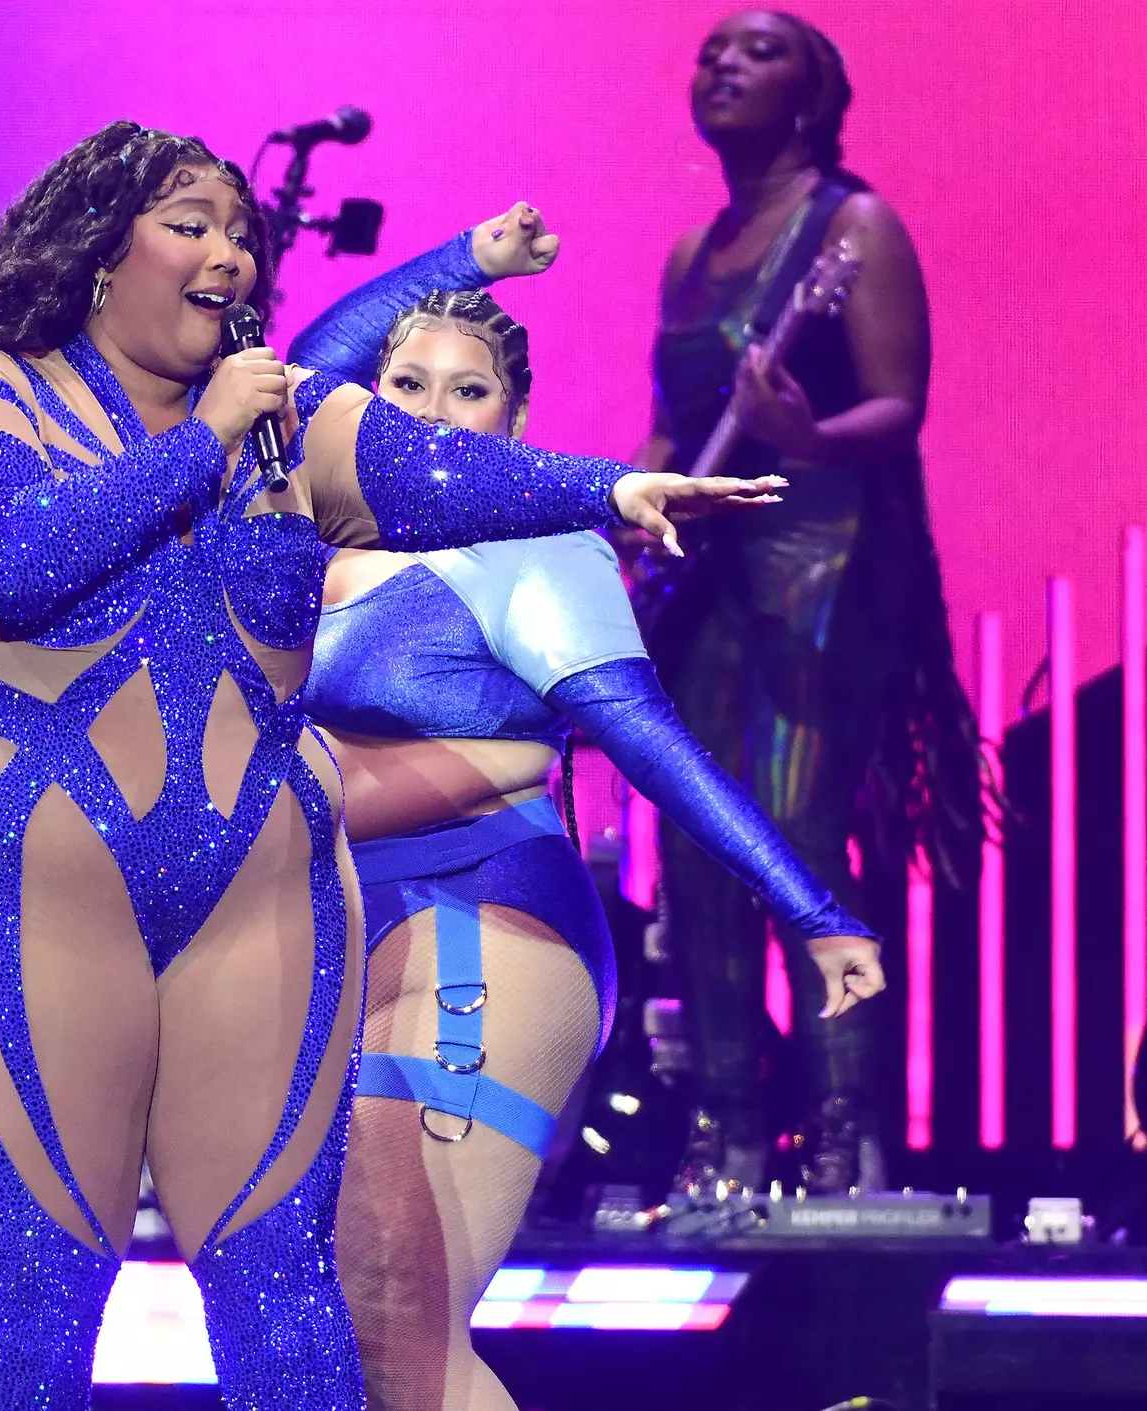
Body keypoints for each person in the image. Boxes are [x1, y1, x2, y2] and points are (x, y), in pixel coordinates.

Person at [0, 120, 775, 1410]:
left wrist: (614, 491)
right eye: (190, 223)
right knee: (45, 1273)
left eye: (241, 233)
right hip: (38, 855)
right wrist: (199, 443)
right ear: (95, 249)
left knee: (281, 1275)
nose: (228, 253)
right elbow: (0, 562)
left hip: (256, 873)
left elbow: (440, 471)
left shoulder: (291, 429)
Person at [290, 245, 882, 1408]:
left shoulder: (535, 549)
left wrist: (809, 910)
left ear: (516, 420)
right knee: (355, 1348)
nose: (435, 413)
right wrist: (473, 256)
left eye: (471, 391)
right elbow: (309, 368)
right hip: (339, 939)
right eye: (407, 385)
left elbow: (653, 744)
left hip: (481, 926)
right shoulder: (323, 539)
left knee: (399, 1335)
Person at [633, 10, 982, 1191]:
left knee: (796, 837)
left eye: (757, 48)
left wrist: (807, 436)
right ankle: (726, 1127)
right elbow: (671, 429)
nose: (720, 61)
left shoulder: (854, 226)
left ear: (813, 94)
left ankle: (844, 1126)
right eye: (708, 48)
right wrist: (628, 507)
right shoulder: (692, 255)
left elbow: (899, 406)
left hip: (824, 571)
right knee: (695, 847)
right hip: (710, 580)